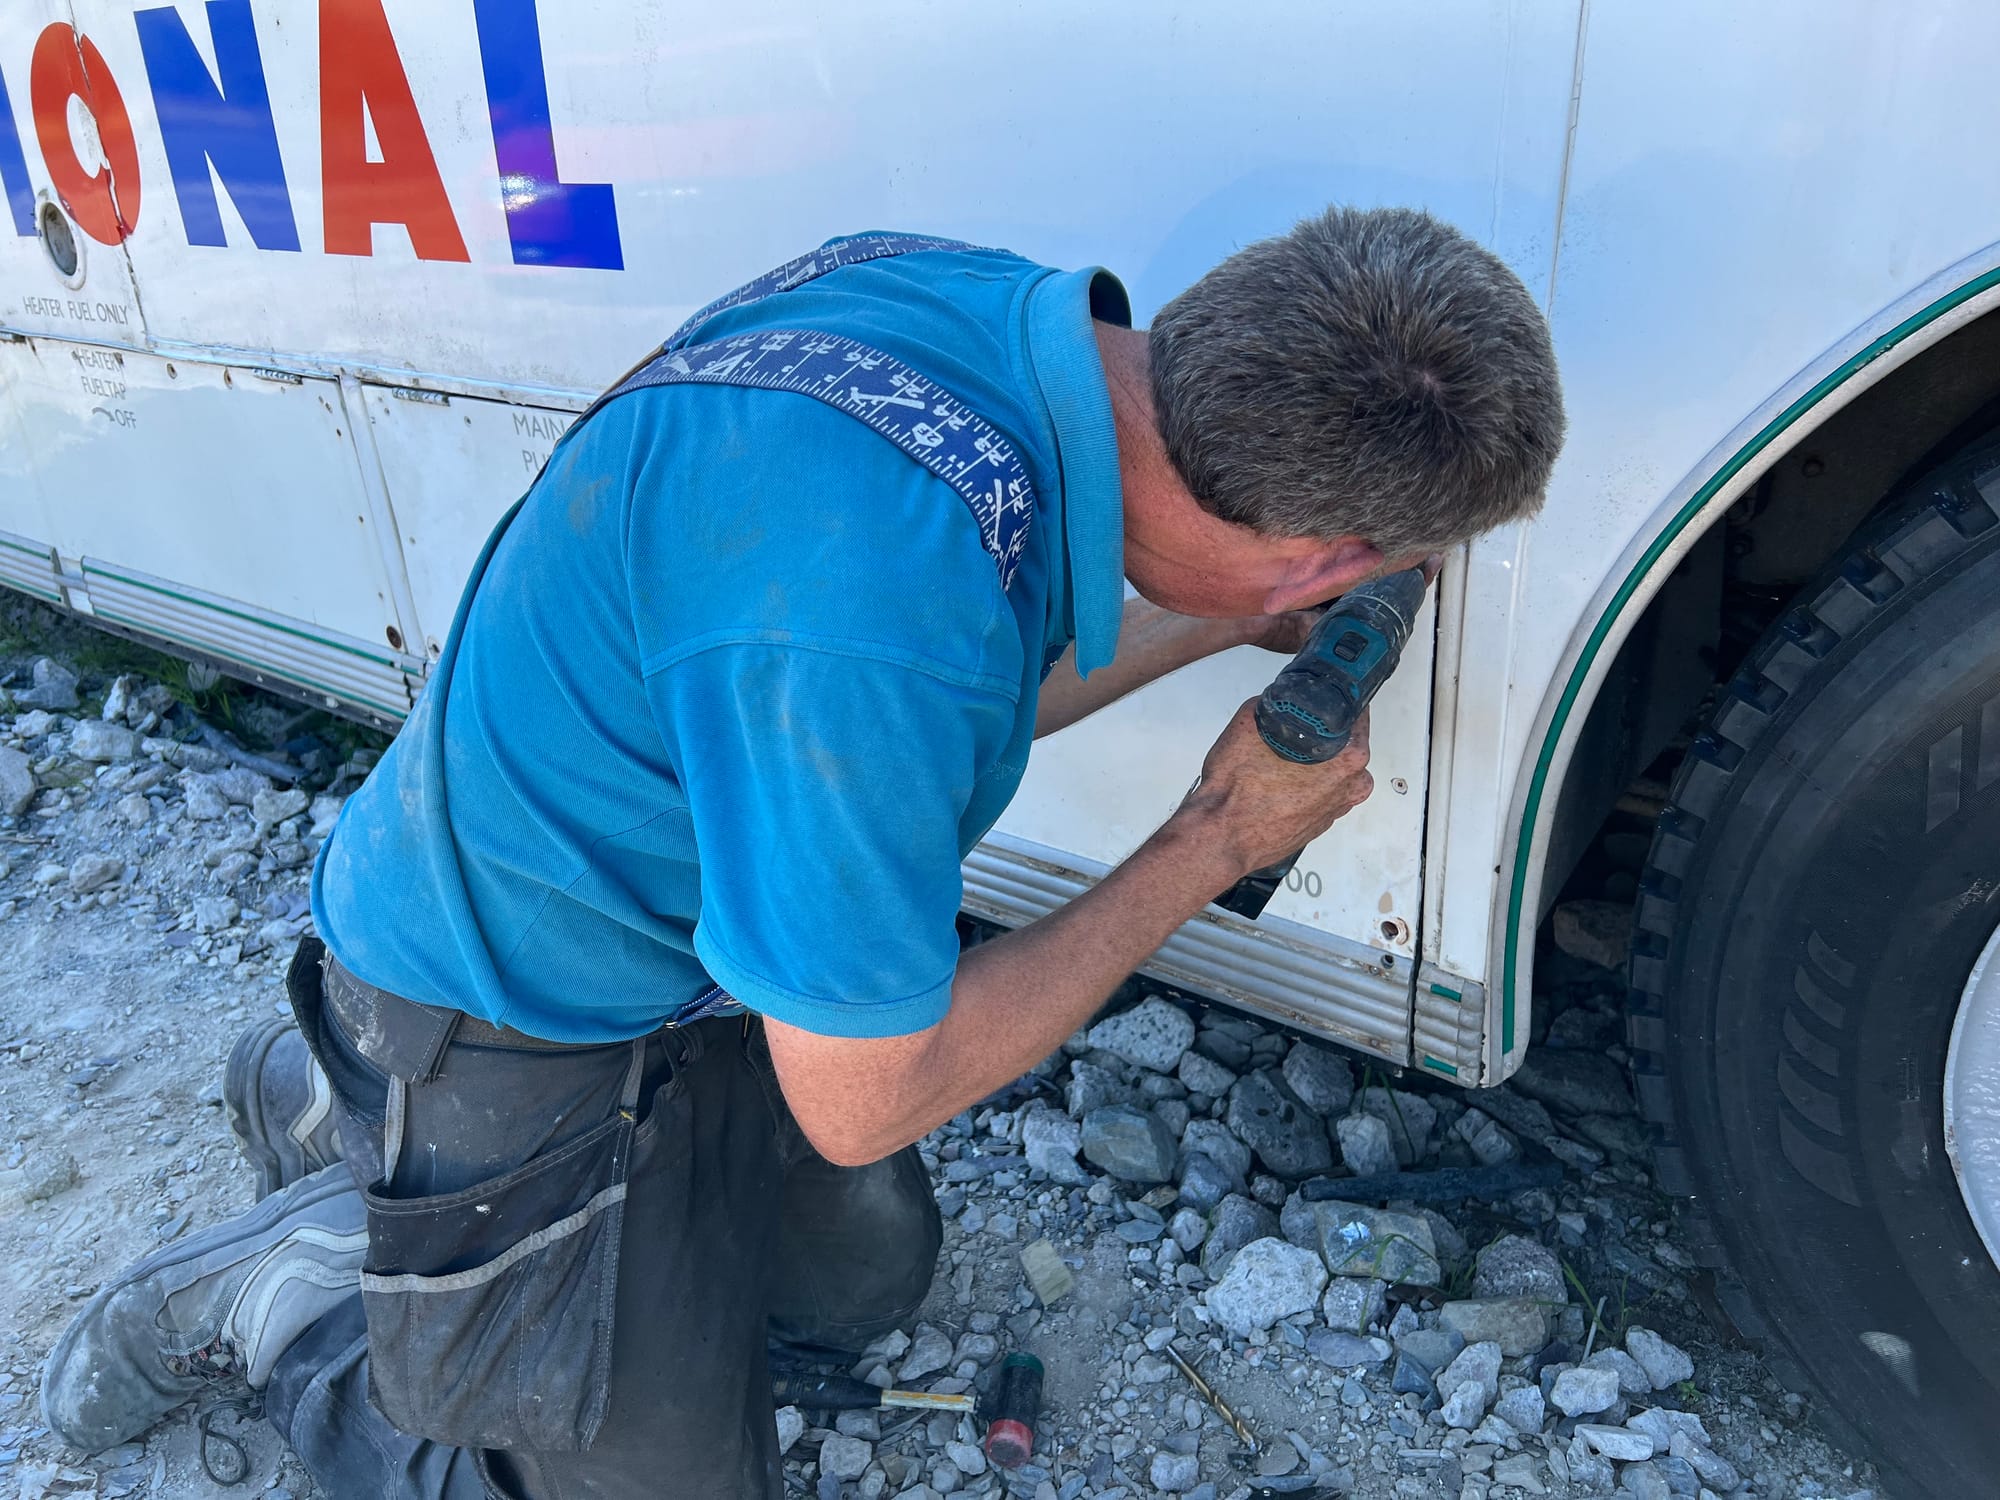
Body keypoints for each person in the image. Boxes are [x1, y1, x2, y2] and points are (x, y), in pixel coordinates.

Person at [41, 207, 1564, 1497]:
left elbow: (925, 707)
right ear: (1329, 558)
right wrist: (1210, 838)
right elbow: (867, 1096)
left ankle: (353, 1120)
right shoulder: (870, 608)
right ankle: (311, 1294)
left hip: (686, 935)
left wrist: (1223, 619)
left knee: (852, 1296)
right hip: (504, 988)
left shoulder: (977, 325)